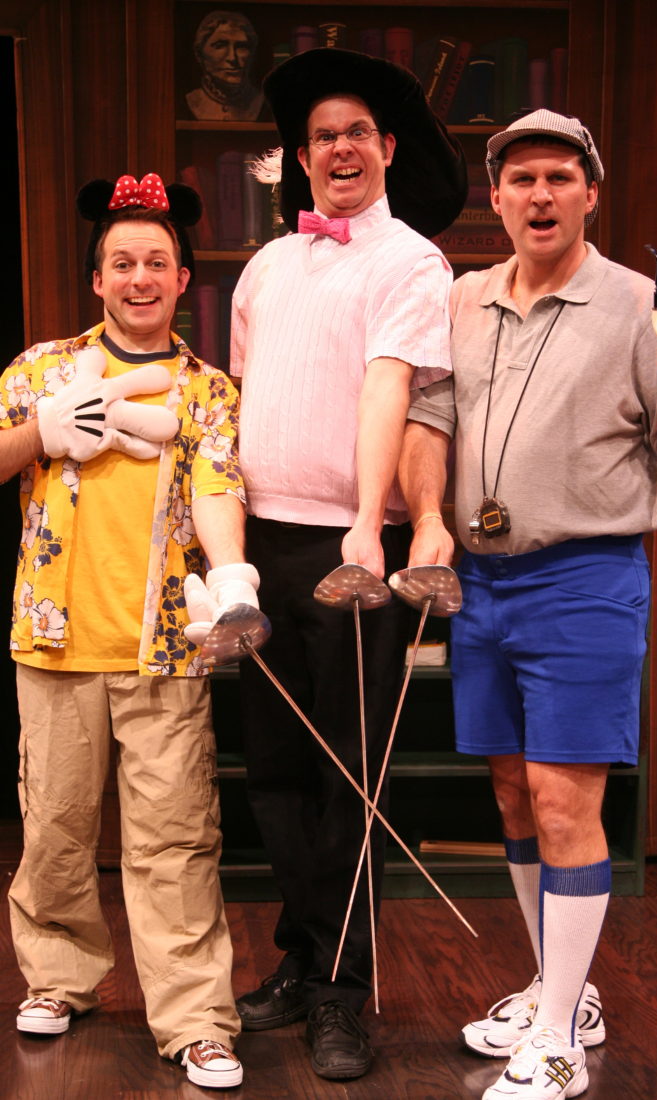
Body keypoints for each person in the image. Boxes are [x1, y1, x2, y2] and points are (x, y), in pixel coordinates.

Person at [398, 109, 657, 1100]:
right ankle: (561, 992)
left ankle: (557, 1042)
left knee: (560, 796)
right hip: (483, 580)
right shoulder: (462, 298)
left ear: (590, 193)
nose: (538, 194)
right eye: (520, 179)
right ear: (496, 197)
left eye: (558, 177)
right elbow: (428, 417)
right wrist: (427, 518)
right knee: (510, 788)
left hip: (584, 576)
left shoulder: (639, 305)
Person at [226, 47, 467, 1082]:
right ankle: (302, 954)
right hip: (261, 548)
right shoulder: (267, 266)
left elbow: (389, 389)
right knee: (275, 770)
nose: (338, 149)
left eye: (356, 133)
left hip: (350, 548)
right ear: (301, 156)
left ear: (387, 149)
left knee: (346, 777)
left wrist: (370, 524)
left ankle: (340, 990)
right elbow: (242, 400)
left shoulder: (410, 261)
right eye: (322, 136)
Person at [0, 173, 253, 1090]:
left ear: (182, 278)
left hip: (166, 646)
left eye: (156, 262)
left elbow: (217, 487)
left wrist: (231, 577)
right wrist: (42, 429)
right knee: (54, 829)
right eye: (122, 263)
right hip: (55, 642)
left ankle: (195, 1022)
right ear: (97, 278)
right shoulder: (38, 371)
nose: (139, 277)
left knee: (175, 842)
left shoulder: (208, 390)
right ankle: (60, 979)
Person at [185, 9, 265, 121]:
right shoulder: (192, 100)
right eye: (220, 45)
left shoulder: (261, 101)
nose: (232, 58)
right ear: (199, 54)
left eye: (241, 46)